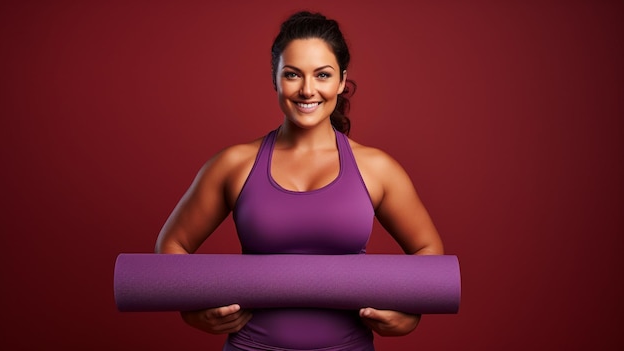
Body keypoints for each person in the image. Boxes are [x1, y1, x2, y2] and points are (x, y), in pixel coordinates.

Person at [155, 10, 444, 351]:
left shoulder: (376, 168)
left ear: (341, 80)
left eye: (322, 75)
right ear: (275, 79)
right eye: (292, 75)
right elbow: (171, 249)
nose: (308, 90)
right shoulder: (233, 164)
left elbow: (429, 255)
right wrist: (193, 312)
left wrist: (410, 315)